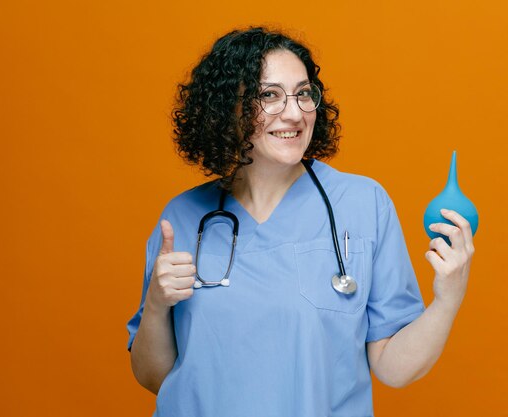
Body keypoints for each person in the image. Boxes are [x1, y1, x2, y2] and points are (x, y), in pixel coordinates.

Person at [127, 27, 475, 417]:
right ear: (229, 108)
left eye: (304, 93)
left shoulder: (362, 204)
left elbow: (393, 367)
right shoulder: (184, 217)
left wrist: (448, 300)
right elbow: (153, 376)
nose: (294, 113)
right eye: (269, 95)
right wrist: (156, 305)